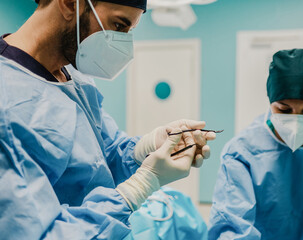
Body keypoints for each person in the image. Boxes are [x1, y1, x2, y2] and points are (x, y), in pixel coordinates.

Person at [0, 0, 217, 239]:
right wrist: (137, 189)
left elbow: (103, 155)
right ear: (69, 4)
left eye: (129, 31)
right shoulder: (6, 98)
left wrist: (149, 146)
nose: (124, 44)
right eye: (119, 25)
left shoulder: (74, 78)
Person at [208, 48, 303, 240]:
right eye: (284, 110)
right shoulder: (242, 151)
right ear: (271, 102)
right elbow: (232, 226)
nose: (296, 122)